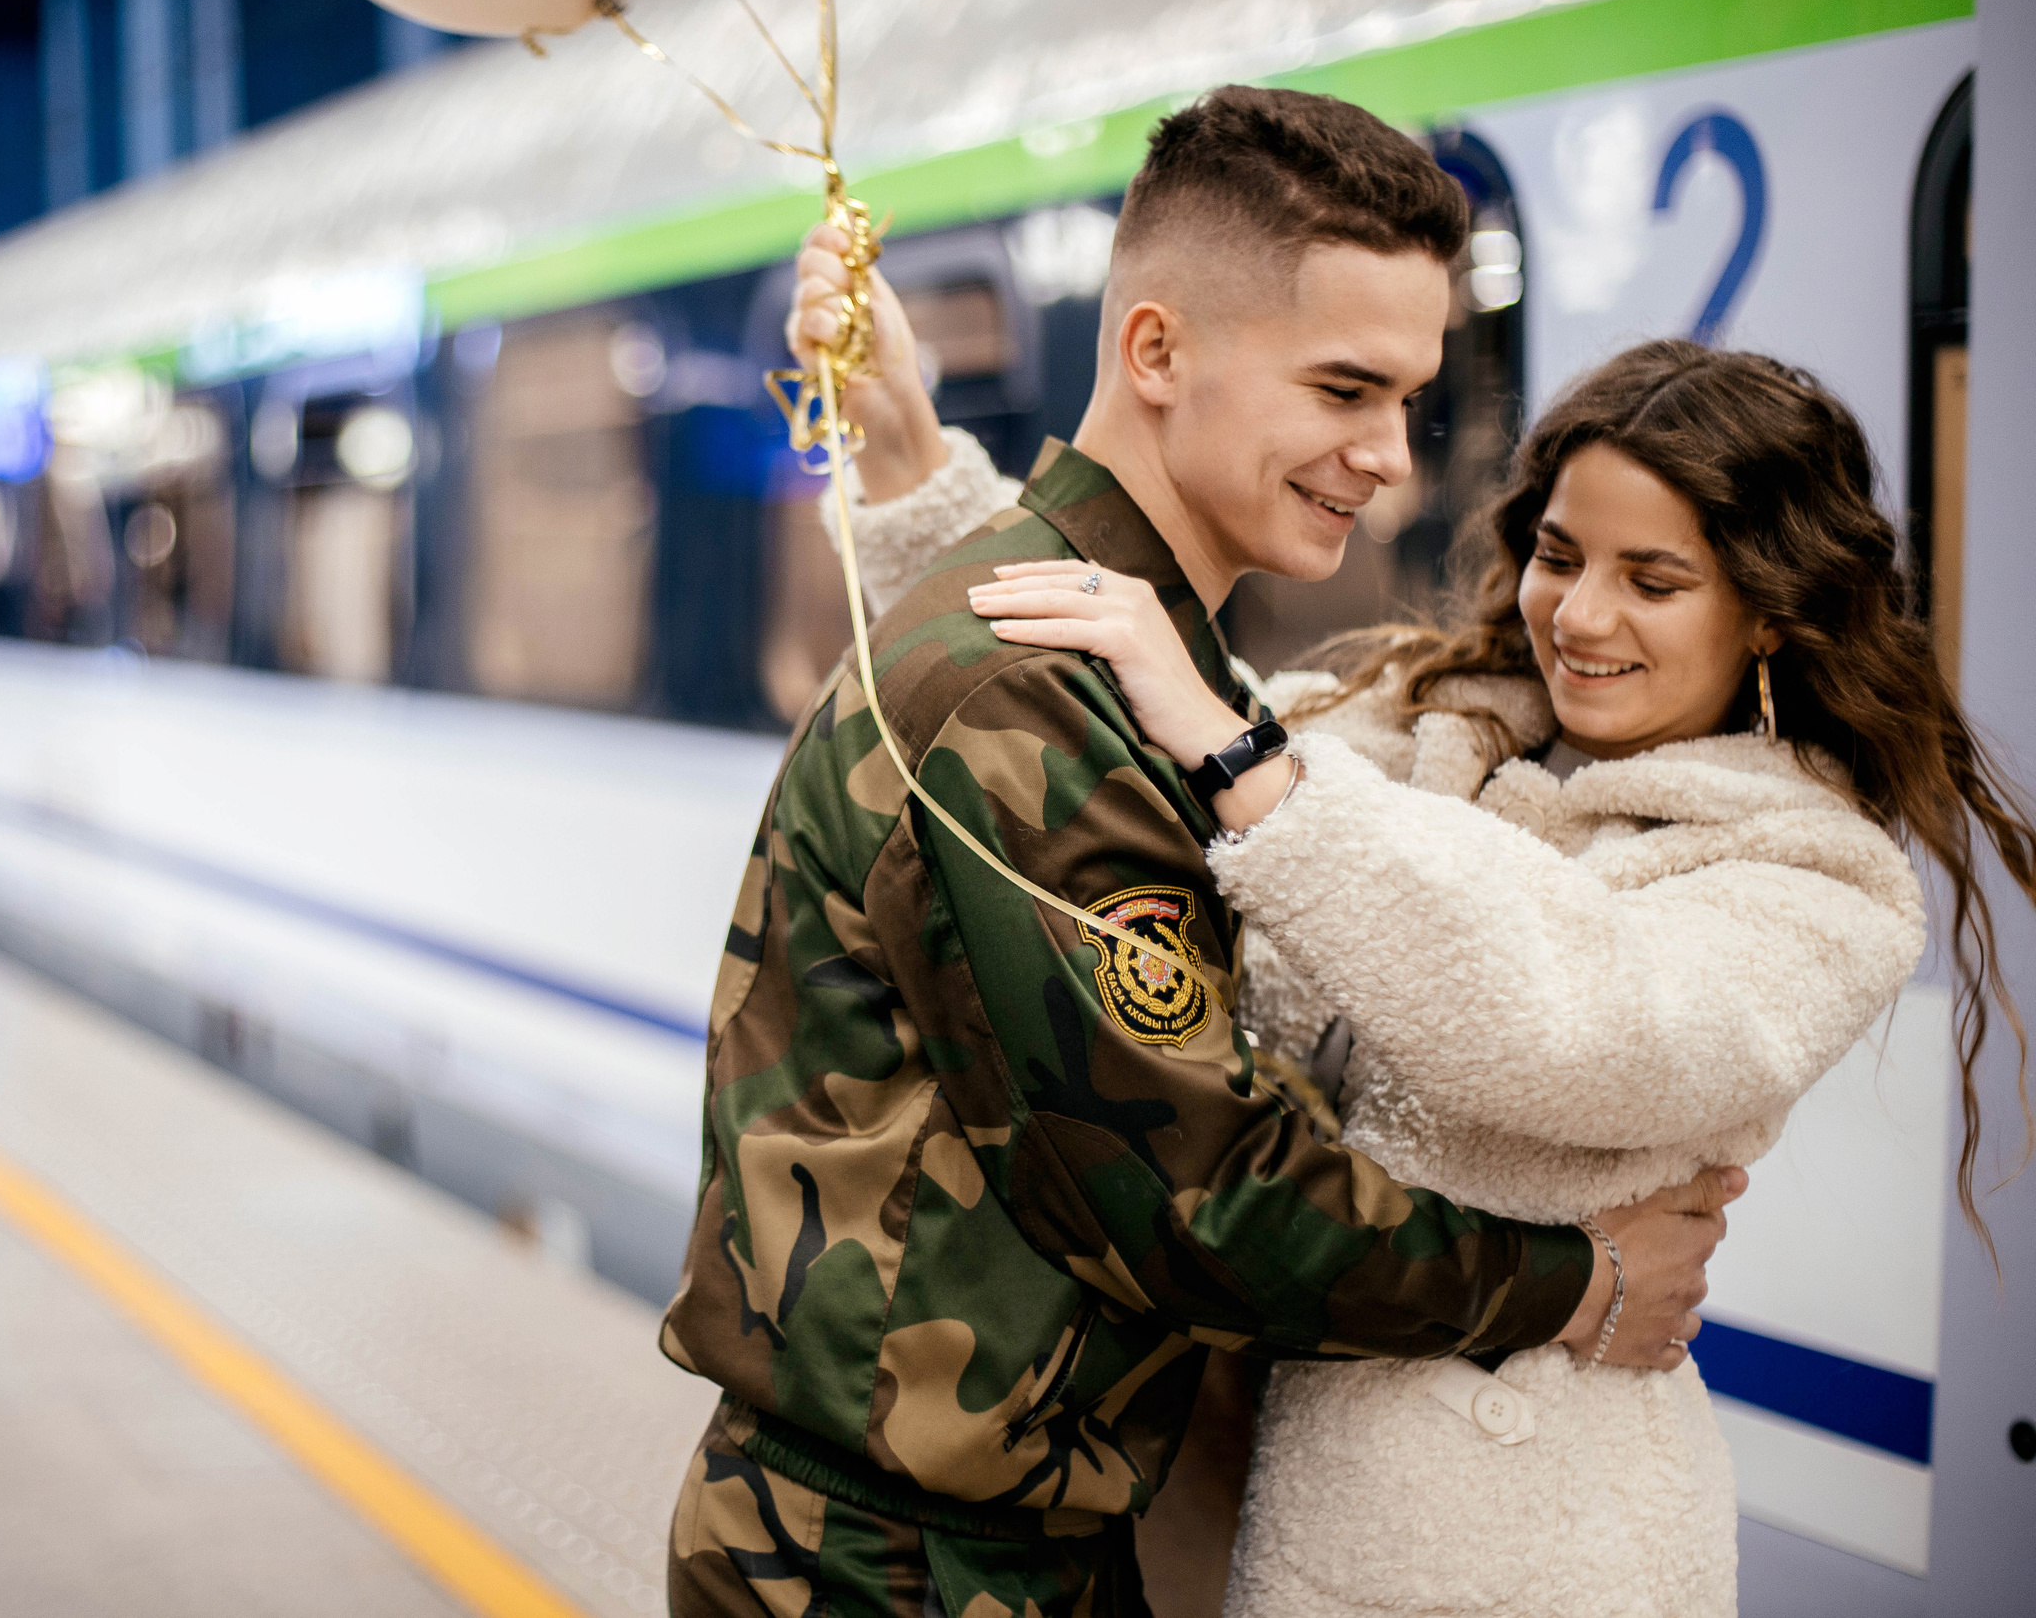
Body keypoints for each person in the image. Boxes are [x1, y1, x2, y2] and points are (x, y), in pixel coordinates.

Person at [659, 86, 1744, 1618]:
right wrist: (1585, 1280)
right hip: (892, 1564)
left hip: (959, 1539)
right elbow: (1200, 1194)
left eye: (1409, 402)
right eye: (1344, 390)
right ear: (1156, 351)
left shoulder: (1143, 663)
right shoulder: (1028, 684)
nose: (1390, 458)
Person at [850, 343, 2035, 1608]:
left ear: (1771, 612)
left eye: (1655, 580)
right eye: (1561, 555)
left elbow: (1573, 1031)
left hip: (1530, 1545)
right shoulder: (1423, 725)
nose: (1578, 617)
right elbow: (1105, 717)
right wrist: (908, 460)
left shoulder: (1820, 875)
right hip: (1264, 1473)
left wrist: (1241, 753)